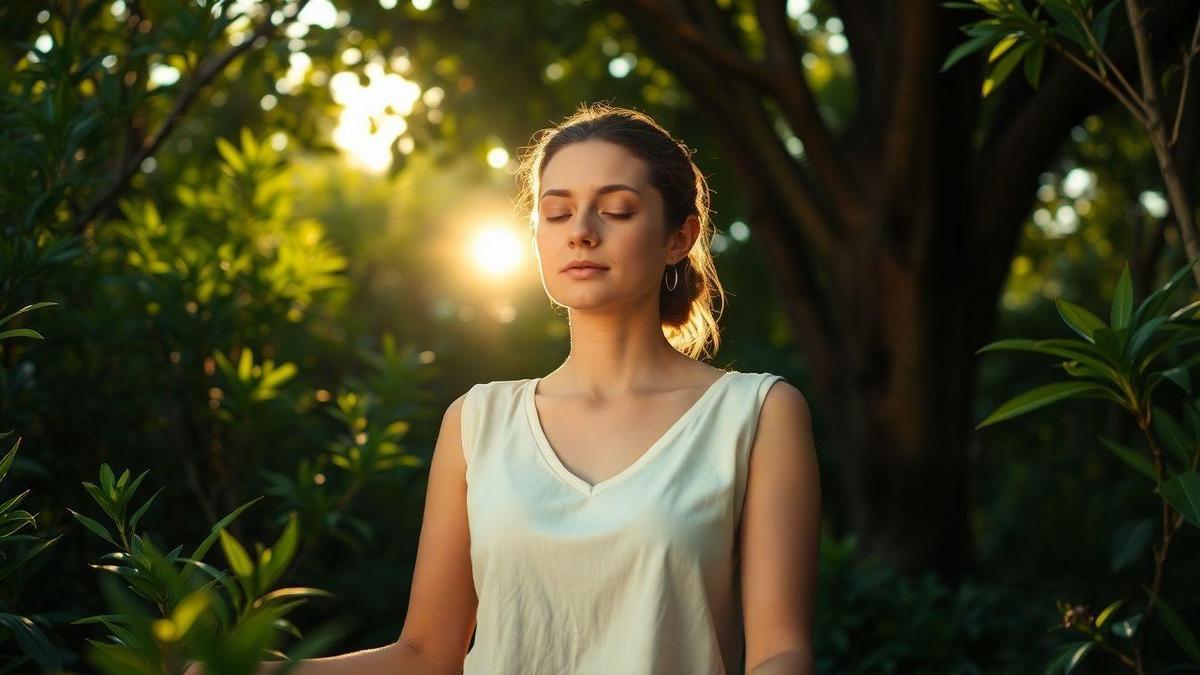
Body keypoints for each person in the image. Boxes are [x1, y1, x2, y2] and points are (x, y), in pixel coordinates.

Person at [195, 101, 821, 674]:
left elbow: (780, 651)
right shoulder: (478, 421)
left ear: (678, 238)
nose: (581, 230)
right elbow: (425, 654)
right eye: (556, 212)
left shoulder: (755, 414)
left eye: (617, 209)